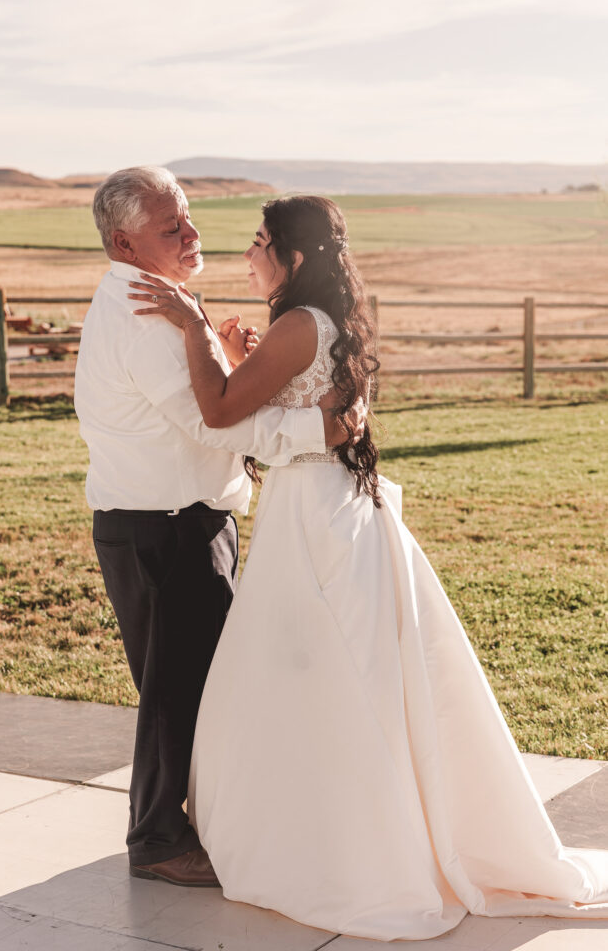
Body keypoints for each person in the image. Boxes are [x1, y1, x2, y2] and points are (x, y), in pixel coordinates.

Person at [127, 195, 608, 941]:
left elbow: (220, 413)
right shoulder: (321, 323)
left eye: (259, 242)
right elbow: (277, 406)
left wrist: (192, 328)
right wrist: (230, 349)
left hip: (312, 520)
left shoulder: (298, 326)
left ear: (290, 255)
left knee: (310, 675)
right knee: (336, 676)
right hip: (328, 505)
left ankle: (339, 849)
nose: (247, 253)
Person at [74, 169, 353, 889]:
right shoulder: (144, 313)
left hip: (173, 519)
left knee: (192, 684)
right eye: (173, 227)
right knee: (176, 689)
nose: (192, 234)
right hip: (164, 528)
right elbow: (213, 417)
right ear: (125, 241)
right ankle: (158, 838)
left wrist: (218, 346)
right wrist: (318, 430)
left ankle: (191, 820)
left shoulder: (153, 300)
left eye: (188, 217)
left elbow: (212, 402)